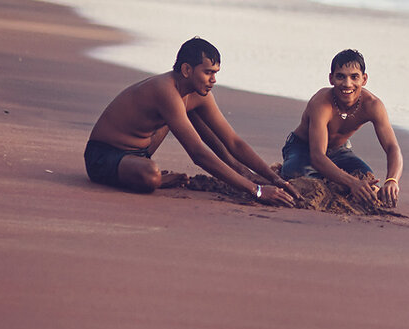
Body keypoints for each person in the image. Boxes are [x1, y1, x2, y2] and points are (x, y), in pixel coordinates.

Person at [85, 37, 297, 206]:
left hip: (142, 152)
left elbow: (232, 141)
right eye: (207, 73)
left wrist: (273, 178)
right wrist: (257, 191)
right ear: (187, 70)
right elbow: (197, 154)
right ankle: (156, 178)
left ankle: (239, 171)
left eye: (215, 73)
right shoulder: (164, 90)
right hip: (105, 155)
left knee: (194, 112)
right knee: (150, 176)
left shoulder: (197, 94)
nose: (213, 80)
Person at [282, 49, 403, 207]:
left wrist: (392, 181)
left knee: (366, 177)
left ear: (364, 79)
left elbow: (393, 147)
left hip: (339, 151)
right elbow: (317, 156)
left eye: (354, 77)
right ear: (331, 79)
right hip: (302, 148)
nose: (347, 84)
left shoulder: (373, 105)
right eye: (341, 76)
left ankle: (334, 178)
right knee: (299, 177)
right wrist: (352, 184)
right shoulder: (321, 103)